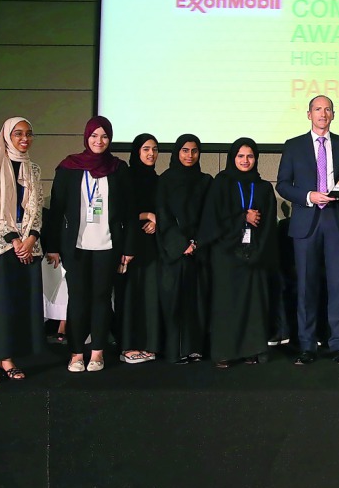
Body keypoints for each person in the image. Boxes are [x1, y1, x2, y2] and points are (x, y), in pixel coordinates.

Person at [46, 116, 134, 373]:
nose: (99, 141)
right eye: (94, 136)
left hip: (108, 246)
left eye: (104, 136)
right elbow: (56, 209)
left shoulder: (118, 168)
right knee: (77, 300)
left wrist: (128, 249)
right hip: (76, 247)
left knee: (101, 299)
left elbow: (129, 212)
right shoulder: (69, 167)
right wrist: (52, 245)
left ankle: (97, 351)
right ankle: (75, 353)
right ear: (86, 137)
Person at [275, 95, 339, 365]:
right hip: (306, 221)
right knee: (306, 287)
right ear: (308, 114)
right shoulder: (294, 146)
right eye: (317, 109)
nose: (323, 114)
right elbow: (283, 185)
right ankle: (307, 345)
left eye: (327, 109)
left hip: (336, 220)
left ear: (333, 114)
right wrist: (309, 195)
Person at [0, 118, 44, 383]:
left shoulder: (33, 169)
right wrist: (15, 240)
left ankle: (7, 358)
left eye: (28, 134)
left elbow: (36, 210)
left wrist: (31, 239)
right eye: (18, 134)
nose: (24, 138)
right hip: (0, 246)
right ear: (7, 136)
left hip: (28, 245)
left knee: (19, 303)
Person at [200, 137, 279, 368]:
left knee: (252, 304)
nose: (245, 161)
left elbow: (268, 228)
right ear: (233, 158)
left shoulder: (263, 187)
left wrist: (257, 251)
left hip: (254, 255)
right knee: (226, 304)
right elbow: (213, 221)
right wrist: (242, 217)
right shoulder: (221, 183)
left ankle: (250, 350)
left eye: (250, 156)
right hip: (225, 254)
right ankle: (224, 352)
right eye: (241, 156)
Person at [155, 134, 212, 364]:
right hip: (175, 252)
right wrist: (181, 245)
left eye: (194, 150)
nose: (190, 155)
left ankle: (195, 348)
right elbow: (163, 215)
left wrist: (197, 242)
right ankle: (175, 350)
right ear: (177, 152)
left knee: (198, 301)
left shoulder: (206, 181)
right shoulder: (166, 180)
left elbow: (210, 216)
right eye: (185, 150)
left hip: (200, 251)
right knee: (174, 300)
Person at [117, 133, 161, 364]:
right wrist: (146, 215)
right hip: (130, 243)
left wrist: (157, 220)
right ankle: (127, 346)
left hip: (152, 245)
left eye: (154, 149)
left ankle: (148, 344)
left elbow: (164, 209)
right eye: (146, 149)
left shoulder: (157, 179)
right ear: (136, 151)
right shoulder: (127, 177)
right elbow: (120, 211)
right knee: (130, 295)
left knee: (150, 295)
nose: (151, 154)